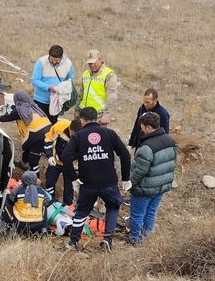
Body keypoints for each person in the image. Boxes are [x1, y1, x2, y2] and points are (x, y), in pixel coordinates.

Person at [62, 107, 131, 252]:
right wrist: (125, 178)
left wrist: (73, 178)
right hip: (109, 182)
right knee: (112, 207)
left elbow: (66, 157)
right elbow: (125, 155)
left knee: (81, 211)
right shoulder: (109, 133)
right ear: (97, 118)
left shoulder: (78, 136)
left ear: (81, 120)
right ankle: (107, 239)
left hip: (88, 183)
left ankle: (73, 241)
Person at [126, 112, 177, 245]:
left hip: (145, 188)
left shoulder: (146, 147)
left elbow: (140, 171)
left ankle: (135, 239)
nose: (141, 130)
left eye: (142, 127)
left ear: (148, 127)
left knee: (137, 214)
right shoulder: (170, 141)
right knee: (150, 212)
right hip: (161, 186)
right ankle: (147, 237)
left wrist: (129, 183)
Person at [0, 90, 51, 176]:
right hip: (47, 130)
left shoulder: (19, 110)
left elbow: (5, 118)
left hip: (38, 135)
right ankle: (23, 164)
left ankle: (35, 179)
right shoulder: (32, 105)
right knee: (27, 148)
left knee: (34, 160)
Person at [31, 44, 74, 125]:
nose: (54, 62)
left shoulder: (68, 64)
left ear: (61, 57)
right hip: (40, 100)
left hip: (56, 102)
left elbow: (70, 79)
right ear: (49, 55)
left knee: (52, 125)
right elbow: (34, 80)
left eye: (57, 61)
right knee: (39, 125)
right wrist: (48, 88)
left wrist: (62, 88)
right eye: (51, 59)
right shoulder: (41, 62)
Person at [43, 118, 82, 206]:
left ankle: (67, 206)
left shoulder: (83, 135)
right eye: (74, 134)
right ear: (70, 129)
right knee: (49, 181)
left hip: (71, 165)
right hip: (56, 161)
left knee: (69, 187)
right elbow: (48, 139)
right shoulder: (60, 126)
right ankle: (50, 201)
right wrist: (49, 156)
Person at [76, 50, 118, 126]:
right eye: (89, 63)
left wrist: (107, 115)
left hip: (98, 116)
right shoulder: (85, 73)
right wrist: (77, 112)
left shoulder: (109, 75)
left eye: (94, 62)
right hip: (84, 114)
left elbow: (111, 98)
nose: (91, 65)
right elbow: (80, 95)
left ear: (100, 60)